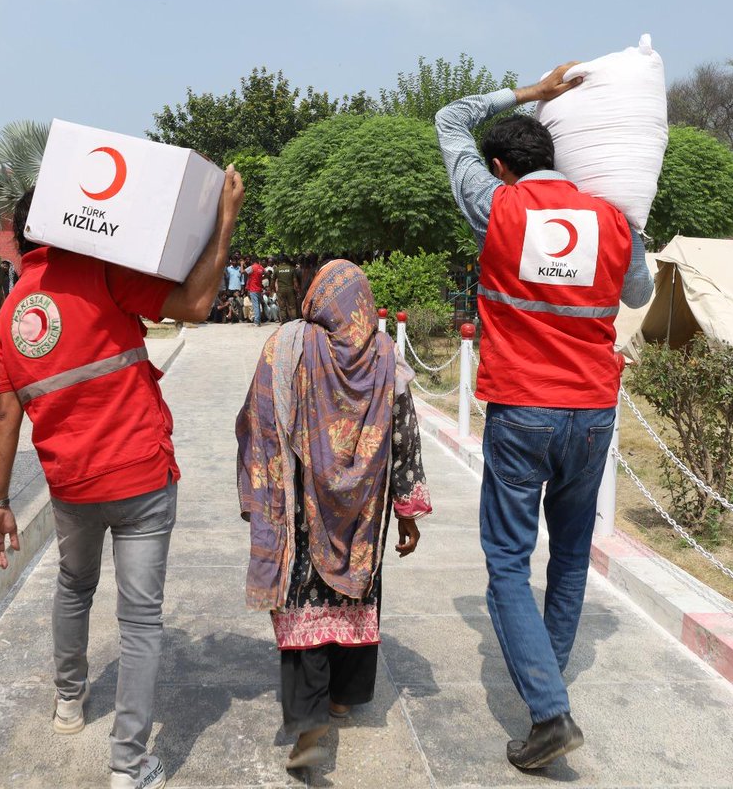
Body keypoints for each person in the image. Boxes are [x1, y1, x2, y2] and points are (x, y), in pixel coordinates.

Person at [0, 167, 244, 789]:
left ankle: (68, 702)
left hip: (71, 486)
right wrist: (226, 216)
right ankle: (129, 766)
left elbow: (5, 413)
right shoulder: (100, 273)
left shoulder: (12, 314)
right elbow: (199, 305)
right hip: (142, 479)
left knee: (74, 587)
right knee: (140, 620)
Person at [435, 64, 654, 769]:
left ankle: (549, 710)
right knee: (567, 556)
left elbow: (447, 120)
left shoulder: (496, 208)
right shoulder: (614, 219)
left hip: (523, 409)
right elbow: (640, 286)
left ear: (501, 167)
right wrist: (631, 229)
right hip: (591, 412)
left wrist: (532, 93)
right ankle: (547, 698)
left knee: (505, 558)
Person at [236, 260, 431, 770]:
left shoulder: (288, 348)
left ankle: (309, 723)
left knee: (304, 601)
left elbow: (259, 418)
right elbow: (404, 437)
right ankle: (342, 697)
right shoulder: (387, 356)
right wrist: (407, 511)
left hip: (304, 508)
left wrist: (258, 493)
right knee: (357, 589)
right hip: (364, 516)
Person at [274, 256, 299, 322]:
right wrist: (297, 289)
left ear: (280, 261)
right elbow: (295, 281)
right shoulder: (292, 269)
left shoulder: (277, 269)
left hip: (281, 290)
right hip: (290, 289)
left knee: (282, 307)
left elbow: (272, 281)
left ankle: (284, 320)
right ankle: (294, 320)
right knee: (292, 306)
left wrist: (272, 290)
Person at [244, 256, 265, 327]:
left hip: (253, 289)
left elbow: (242, 272)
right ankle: (258, 320)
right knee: (258, 306)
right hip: (259, 289)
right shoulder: (261, 267)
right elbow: (266, 273)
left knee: (255, 306)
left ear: (252, 261)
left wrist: (241, 264)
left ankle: (257, 322)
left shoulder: (252, 267)